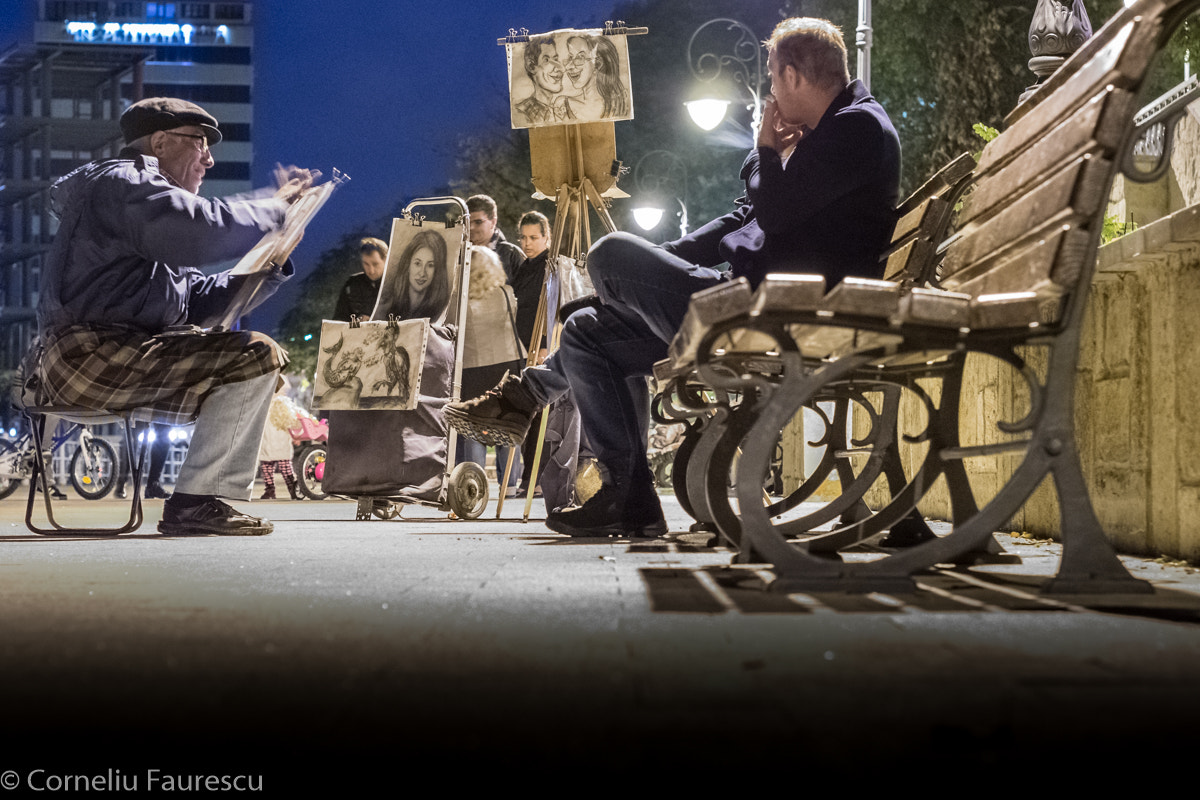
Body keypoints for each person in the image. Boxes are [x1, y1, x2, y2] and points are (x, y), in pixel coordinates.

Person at [447, 18, 902, 538]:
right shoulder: (827, 133)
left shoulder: (857, 127)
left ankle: (533, 394)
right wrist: (649, 265)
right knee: (584, 333)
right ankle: (631, 502)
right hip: (757, 303)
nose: (770, 93)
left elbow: (770, 210)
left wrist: (765, 152)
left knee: (610, 252)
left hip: (779, 312)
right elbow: (742, 217)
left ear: (793, 75)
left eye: (773, 80)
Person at [29, 96, 316, 536]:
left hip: (116, 352)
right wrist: (274, 211)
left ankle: (197, 501)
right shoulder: (124, 182)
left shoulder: (147, 207)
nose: (209, 159)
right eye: (200, 143)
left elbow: (197, 302)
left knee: (254, 360)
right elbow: (199, 229)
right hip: (89, 354)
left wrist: (271, 264)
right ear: (160, 142)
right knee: (256, 355)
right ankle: (195, 503)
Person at [456, 247, 526, 493]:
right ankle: (508, 484)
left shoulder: (459, 300)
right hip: (507, 363)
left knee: (474, 426)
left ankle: (475, 486)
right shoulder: (506, 293)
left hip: (473, 366)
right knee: (508, 422)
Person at [378, 229, 451, 321]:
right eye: (417, 263)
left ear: (438, 270)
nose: (422, 273)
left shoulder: (440, 311)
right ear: (408, 264)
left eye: (430, 265)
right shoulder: (385, 305)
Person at [563, 34, 630, 120]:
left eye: (580, 57)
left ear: (598, 64)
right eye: (570, 57)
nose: (569, 66)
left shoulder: (619, 105)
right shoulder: (563, 104)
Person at [514, 34, 573, 126]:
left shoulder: (569, 107)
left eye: (555, 59)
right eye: (546, 60)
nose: (558, 68)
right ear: (532, 67)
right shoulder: (522, 113)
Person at [466, 194, 524, 282]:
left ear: (493, 222)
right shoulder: (457, 253)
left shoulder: (512, 255)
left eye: (478, 222)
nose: (471, 227)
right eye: (467, 222)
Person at [332, 237, 388, 322]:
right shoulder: (352, 284)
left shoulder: (397, 284)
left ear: (386, 260)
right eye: (366, 264)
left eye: (375, 264)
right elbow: (338, 320)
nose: (371, 270)